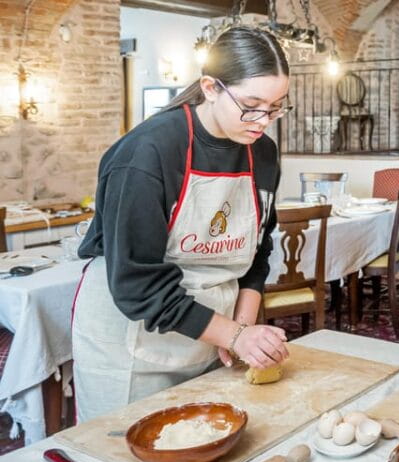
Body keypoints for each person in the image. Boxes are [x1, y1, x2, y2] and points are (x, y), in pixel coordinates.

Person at [73, 26, 292, 422]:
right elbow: (136, 284)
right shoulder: (147, 153)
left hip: (211, 336)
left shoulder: (263, 152)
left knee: (205, 447)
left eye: (276, 107)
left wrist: (240, 328)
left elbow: (258, 249)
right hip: (132, 344)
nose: (263, 121)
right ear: (210, 87)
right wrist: (234, 335)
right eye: (251, 104)